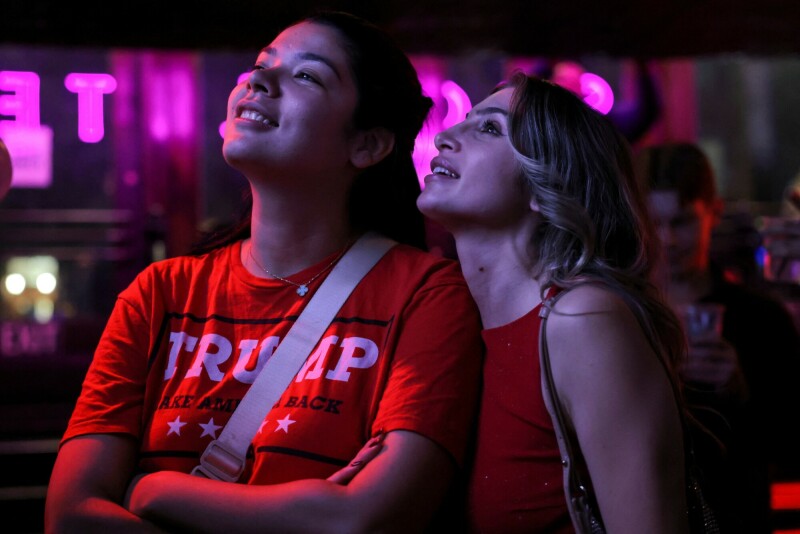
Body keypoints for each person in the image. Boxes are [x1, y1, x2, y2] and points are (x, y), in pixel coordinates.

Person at [45, 11, 484, 533]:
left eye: (306, 75)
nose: (257, 80)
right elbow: (71, 517)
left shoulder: (425, 295)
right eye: (261, 65)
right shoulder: (160, 292)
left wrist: (154, 488)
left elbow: (365, 520)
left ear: (367, 144)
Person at [416, 72, 693, 533]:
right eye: (463, 121)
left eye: (488, 129)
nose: (444, 135)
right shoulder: (449, 319)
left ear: (546, 186)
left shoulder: (583, 319)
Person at [637, 141, 800, 533]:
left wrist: (742, 390)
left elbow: (789, 445)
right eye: (654, 223)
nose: (668, 240)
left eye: (681, 222)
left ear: (714, 213)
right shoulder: (621, 315)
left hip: (737, 515)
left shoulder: (760, 318)